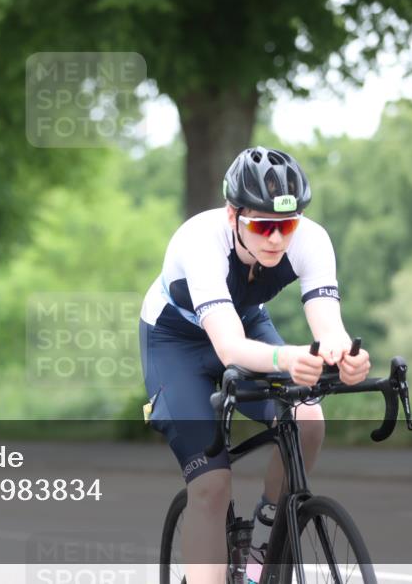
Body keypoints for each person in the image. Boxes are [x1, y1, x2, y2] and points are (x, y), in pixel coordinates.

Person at [138, 146, 371, 584]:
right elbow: (229, 349)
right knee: (210, 485)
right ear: (233, 215)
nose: (277, 239)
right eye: (263, 226)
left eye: (286, 224)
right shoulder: (200, 241)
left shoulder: (312, 239)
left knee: (309, 420)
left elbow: (329, 327)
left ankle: (266, 532)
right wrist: (289, 357)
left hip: (247, 325)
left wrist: (345, 357)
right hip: (177, 342)